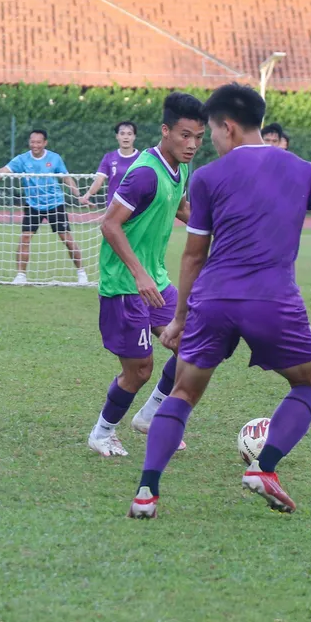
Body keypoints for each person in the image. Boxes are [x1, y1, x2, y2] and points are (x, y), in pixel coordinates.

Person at [128, 84, 311, 519]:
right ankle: (266, 468)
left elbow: (193, 254)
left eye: (212, 133)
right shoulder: (305, 170)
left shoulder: (207, 177)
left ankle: (146, 492)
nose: (210, 142)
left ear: (228, 127)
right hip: (272, 300)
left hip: (214, 300)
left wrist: (180, 317)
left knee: (183, 391)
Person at [87, 95, 206, 458]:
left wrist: (219, 228)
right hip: (125, 285)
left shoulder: (181, 167)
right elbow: (110, 223)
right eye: (185, 136)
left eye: (199, 137)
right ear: (166, 131)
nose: (192, 145)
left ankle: (151, 415)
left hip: (156, 279)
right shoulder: (143, 173)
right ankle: (102, 433)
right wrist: (138, 274)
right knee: (139, 370)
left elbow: (182, 208)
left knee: (191, 346)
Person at [0, 130, 86, 284]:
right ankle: (21, 275)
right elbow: (3, 171)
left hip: (55, 204)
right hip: (33, 204)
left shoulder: (55, 158)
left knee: (66, 238)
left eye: (38, 142)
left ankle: (82, 273)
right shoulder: (22, 159)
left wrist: (79, 195)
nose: (35, 145)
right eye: (32, 142)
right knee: (25, 238)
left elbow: (66, 178)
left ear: (45, 143)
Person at [81, 121, 140, 207]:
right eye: (122, 133)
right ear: (117, 136)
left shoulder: (142, 158)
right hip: (114, 206)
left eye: (129, 134)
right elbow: (99, 180)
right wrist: (87, 195)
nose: (126, 137)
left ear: (134, 137)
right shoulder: (109, 157)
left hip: (136, 206)